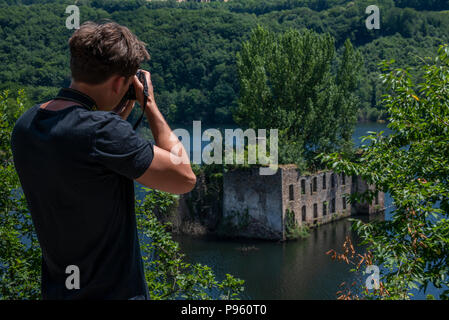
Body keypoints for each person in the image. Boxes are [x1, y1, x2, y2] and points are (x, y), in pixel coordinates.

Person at [10, 21, 196, 300]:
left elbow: (83, 160)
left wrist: (112, 119)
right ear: (121, 82)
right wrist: (149, 105)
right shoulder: (102, 132)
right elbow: (184, 178)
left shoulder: (26, 125)